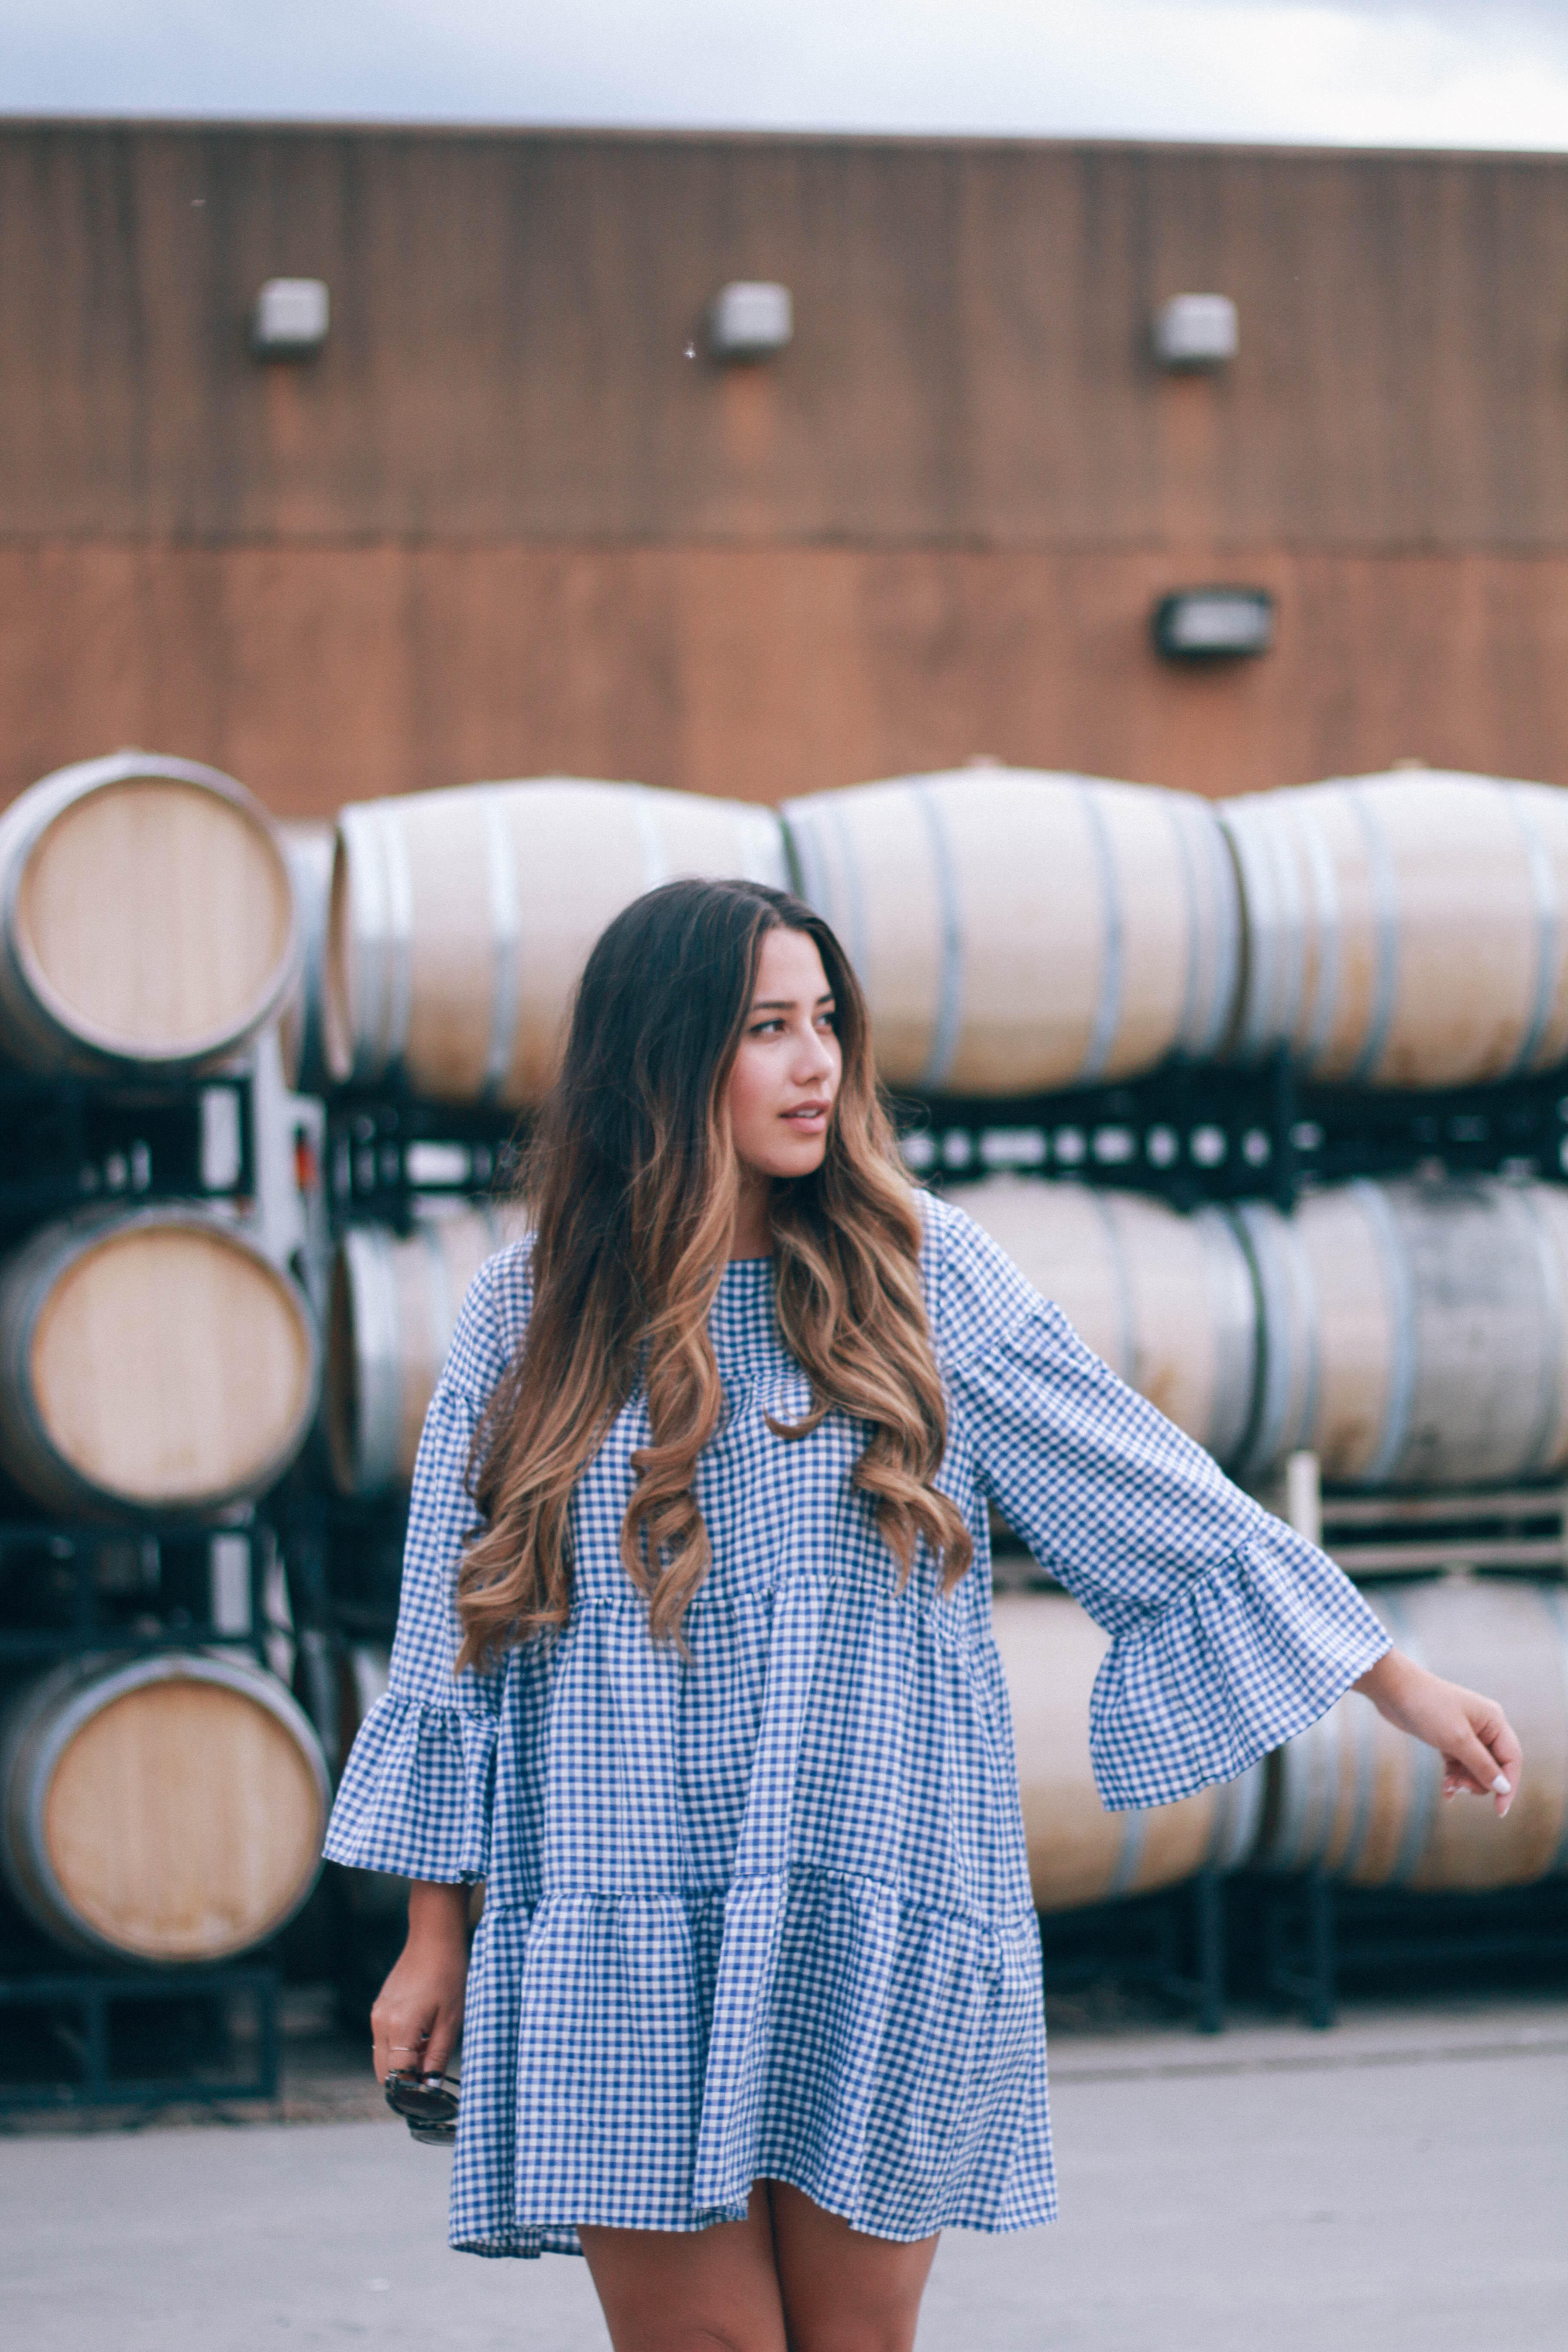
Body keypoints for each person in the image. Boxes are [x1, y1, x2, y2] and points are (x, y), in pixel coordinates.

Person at [325, 877, 1522, 2352]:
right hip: (622, 1909)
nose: (818, 1063)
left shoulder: (921, 1273)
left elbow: (1143, 1481)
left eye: (828, 1022)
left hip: (874, 1892)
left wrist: (1395, 1679)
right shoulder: (528, 1316)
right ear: (661, 1055)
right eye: (767, 1028)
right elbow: (460, 1636)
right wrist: (433, 1935)